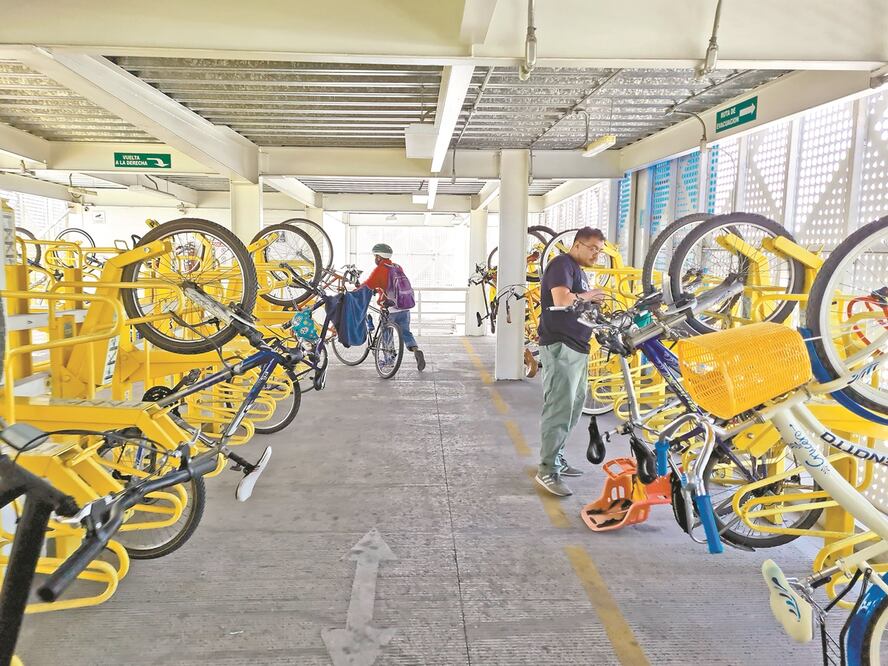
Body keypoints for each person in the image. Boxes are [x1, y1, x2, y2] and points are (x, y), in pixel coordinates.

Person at [534, 227, 608, 497]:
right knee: (559, 408)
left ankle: (557, 458)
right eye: (592, 249)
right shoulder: (561, 264)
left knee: (574, 408)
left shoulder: (578, 271)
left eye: (599, 251)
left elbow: (578, 305)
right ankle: (547, 470)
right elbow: (562, 299)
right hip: (561, 345)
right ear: (577, 245)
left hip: (577, 346)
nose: (596, 255)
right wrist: (592, 295)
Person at [361, 242, 426, 371]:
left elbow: (367, 285)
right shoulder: (397, 266)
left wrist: (355, 291)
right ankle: (415, 350)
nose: (375, 259)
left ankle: (389, 361)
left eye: (375, 256)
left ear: (379, 257)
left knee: (386, 334)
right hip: (404, 308)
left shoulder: (380, 269)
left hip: (389, 309)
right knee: (406, 333)